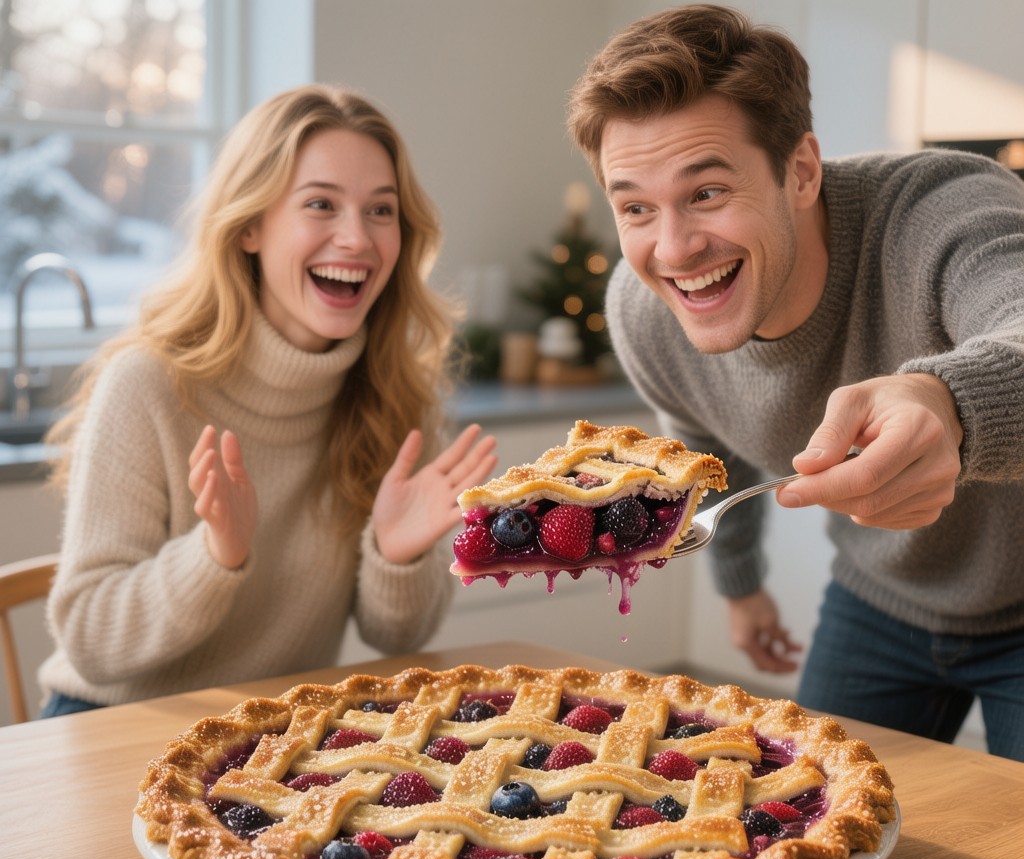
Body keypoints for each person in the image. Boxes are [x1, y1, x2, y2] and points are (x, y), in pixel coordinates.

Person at [567, 5, 1024, 759]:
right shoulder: (644, 314)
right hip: (884, 601)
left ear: (802, 170)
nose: (674, 248)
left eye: (707, 192)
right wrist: (741, 585)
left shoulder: (942, 211)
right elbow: (708, 446)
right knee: (811, 820)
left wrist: (946, 401)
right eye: (636, 208)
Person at [38, 85, 497, 716]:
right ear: (251, 224)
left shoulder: (396, 397)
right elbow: (89, 639)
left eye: (380, 211)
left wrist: (398, 553)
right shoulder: (148, 383)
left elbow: (398, 637)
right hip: (111, 728)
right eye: (320, 204)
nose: (357, 239)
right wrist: (214, 554)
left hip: (272, 742)